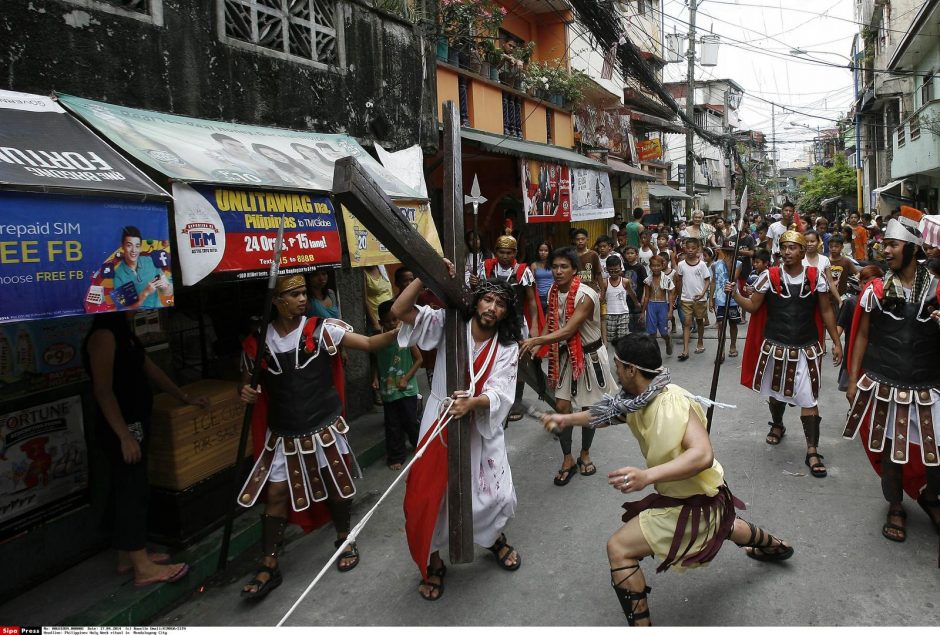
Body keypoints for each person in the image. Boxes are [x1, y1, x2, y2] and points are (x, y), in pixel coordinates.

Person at [540, 333, 794, 627]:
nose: (615, 370)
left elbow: (702, 455)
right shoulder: (638, 398)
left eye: (618, 365)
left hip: (691, 505)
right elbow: (608, 414)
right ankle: (777, 546)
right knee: (722, 525)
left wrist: (646, 476)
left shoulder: (671, 402)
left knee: (619, 549)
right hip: (708, 498)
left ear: (631, 370)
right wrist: (565, 419)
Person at [236, 275, 401, 600]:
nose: (302, 299)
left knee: (335, 483)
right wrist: (245, 393)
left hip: (323, 428)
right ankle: (269, 561)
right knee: (277, 494)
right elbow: (246, 385)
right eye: (294, 294)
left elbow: (367, 344)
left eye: (302, 293)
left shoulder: (321, 329)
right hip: (282, 433)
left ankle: (344, 536)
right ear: (276, 301)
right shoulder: (257, 343)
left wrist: (406, 331)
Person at [394, 272, 522, 601]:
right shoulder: (448, 324)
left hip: (479, 424)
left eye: (500, 303)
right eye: (487, 299)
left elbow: (502, 390)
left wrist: (474, 403)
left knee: (493, 495)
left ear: (507, 312)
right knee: (434, 497)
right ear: (476, 300)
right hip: (439, 421)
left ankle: (493, 538)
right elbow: (401, 311)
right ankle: (434, 561)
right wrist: (424, 279)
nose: (492, 308)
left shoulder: (507, 346)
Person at [83, 312, 204, 587]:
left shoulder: (125, 335)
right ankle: (143, 568)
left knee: (130, 487)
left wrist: (184, 396)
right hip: (121, 427)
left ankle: (128, 555)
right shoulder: (103, 337)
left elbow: (152, 370)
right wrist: (124, 435)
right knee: (132, 490)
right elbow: (103, 390)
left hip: (136, 422)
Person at [844, 220, 940, 544]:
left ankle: (930, 497)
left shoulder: (938, 289)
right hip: (886, 382)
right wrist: (853, 380)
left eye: (893, 245)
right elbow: (862, 336)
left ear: (912, 249)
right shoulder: (876, 290)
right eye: (884, 245)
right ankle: (896, 506)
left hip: (930, 384)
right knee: (891, 452)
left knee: (936, 450)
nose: (885, 251)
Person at [728, 231, 843, 477]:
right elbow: (753, 306)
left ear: (803, 252)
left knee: (810, 399)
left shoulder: (815, 277)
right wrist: (735, 294)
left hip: (807, 347)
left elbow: (826, 311)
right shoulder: (768, 276)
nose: (787, 252)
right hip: (775, 347)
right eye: (784, 247)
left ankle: (812, 449)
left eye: (793, 248)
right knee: (776, 394)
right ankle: (778, 424)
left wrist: (836, 342)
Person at [519, 247, 616, 485]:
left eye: (564, 267)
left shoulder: (586, 294)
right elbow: (552, 323)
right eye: (555, 266)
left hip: (590, 358)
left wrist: (536, 340)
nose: (558, 271)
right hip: (565, 357)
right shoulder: (553, 291)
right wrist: (536, 345)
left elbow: (569, 330)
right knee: (562, 407)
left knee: (588, 411)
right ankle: (567, 458)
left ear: (575, 270)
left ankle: (585, 453)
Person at [477, 235, 539, 423]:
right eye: (501, 252)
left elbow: (531, 300)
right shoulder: (486, 268)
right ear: (496, 252)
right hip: (492, 320)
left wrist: (535, 326)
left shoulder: (522, 270)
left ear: (515, 253)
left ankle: (516, 401)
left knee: (517, 363)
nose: (505, 256)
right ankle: (489, 396)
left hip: (516, 322)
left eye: (509, 252)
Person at [373, 301, 422, 471]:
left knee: (411, 420)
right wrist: (375, 378)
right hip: (388, 391)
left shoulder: (406, 337)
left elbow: (419, 359)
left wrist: (406, 378)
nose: (393, 324)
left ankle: (419, 446)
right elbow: (375, 362)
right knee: (392, 424)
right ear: (381, 323)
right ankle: (396, 455)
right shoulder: (378, 341)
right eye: (388, 321)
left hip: (407, 390)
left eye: (395, 320)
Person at [112, 226, 171, 310]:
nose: (134, 250)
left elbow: (168, 292)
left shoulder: (151, 261)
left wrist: (165, 287)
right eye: (129, 245)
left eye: (137, 246)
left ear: (140, 247)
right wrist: (145, 293)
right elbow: (123, 308)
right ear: (122, 246)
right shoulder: (117, 275)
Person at [674, 237, 710, 361]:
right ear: (684, 248)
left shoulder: (702, 265)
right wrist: (679, 295)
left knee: (699, 321)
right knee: (687, 323)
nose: (690, 250)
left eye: (693, 248)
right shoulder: (681, 264)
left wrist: (702, 293)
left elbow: (707, 280)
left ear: (698, 249)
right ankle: (685, 350)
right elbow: (679, 280)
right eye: (688, 248)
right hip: (686, 299)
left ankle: (700, 342)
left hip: (699, 299)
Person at [711, 239, 743, 360]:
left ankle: (733, 345)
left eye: (732, 252)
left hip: (734, 300)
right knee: (720, 324)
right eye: (727, 252)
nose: (729, 254)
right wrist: (711, 299)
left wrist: (730, 264)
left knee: (733, 324)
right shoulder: (715, 264)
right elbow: (713, 281)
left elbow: (733, 278)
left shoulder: (738, 264)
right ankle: (721, 349)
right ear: (723, 251)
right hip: (720, 299)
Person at [641, 255, 674, 356]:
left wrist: (670, 311)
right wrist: (643, 312)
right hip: (651, 305)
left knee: (664, 333)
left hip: (662, 305)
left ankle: (668, 341)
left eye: (658, 265)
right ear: (650, 267)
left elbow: (671, 295)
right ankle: (655, 352)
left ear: (662, 265)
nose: (655, 268)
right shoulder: (648, 280)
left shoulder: (667, 279)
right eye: (653, 266)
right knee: (652, 333)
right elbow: (646, 297)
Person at [605, 254, 639, 344]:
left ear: (620, 268)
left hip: (623, 313)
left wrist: (636, 303)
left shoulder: (625, 281)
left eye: (616, 270)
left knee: (623, 338)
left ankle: (621, 356)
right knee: (611, 339)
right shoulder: (605, 283)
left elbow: (631, 293)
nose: (613, 273)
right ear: (607, 269)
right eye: (611, 271)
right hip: (609, 314)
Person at [621, 246, 647, 333]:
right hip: (626, 299)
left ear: (636, 255)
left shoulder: (640, 268)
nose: (629, 255)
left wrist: (643, 297)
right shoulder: (623, 267)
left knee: (639, 325)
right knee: (629, 326)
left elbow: (645, 284)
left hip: (638, 299)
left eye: (632, 253)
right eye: (627, 253)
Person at [572, 227, 604, 294]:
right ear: (574, 241)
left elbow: (598, 274)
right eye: (578, 239)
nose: (580, 241)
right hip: (576, 290)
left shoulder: (593, 254)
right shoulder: (571, 255)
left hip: (591, 289)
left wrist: (602, 291)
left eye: (583, 239)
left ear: (587, 239)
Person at [530, 240, 554, 313]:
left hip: (552, 295)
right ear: (538, 251)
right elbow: (532, 283)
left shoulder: (554, 264)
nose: (543, 253)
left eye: (546, 250)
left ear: (549, 252)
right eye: (541, 250)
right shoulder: (534, 265)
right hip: (538, 297)